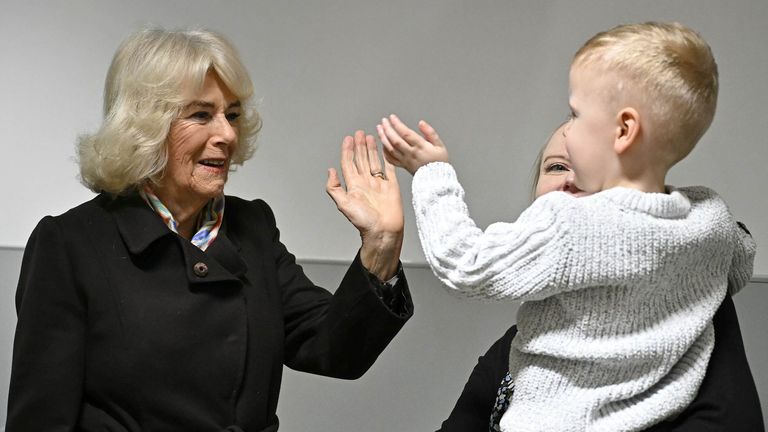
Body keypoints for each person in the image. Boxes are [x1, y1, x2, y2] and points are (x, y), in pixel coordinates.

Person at [7, 28, 412, 432]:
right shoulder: (69, 244)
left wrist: (382, 242)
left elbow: (334, 350)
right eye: (201, 115)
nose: (228, 134)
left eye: (232, 115)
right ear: (145, 125)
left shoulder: (252, 226)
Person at [377, 21, 756, 431]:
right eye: (554, 167)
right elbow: (739, 262)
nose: (567, 128)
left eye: (576, 115)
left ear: (624, 130)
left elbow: (464, 264)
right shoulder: (709, 218)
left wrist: (432, 173)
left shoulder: (570, 227)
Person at [437, 124, 764, 432]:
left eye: (592, 166)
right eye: (556, 167)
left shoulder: (689, 315)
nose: (570, 179)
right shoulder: (516, 346)